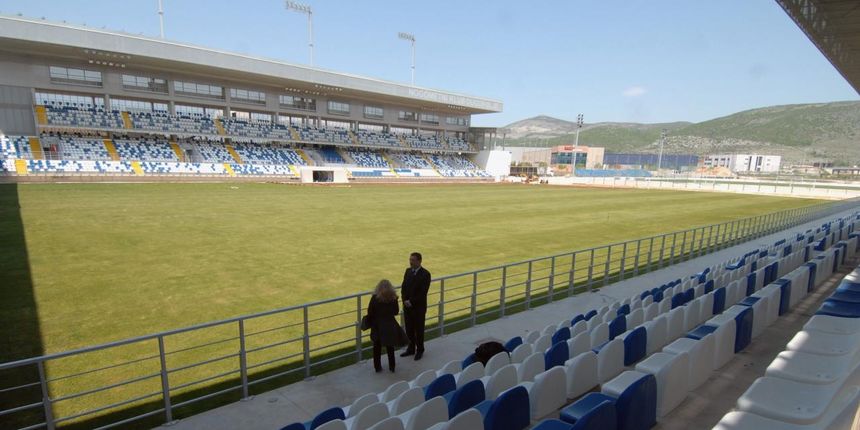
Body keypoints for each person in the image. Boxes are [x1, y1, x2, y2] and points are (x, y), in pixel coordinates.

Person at [367, 279, 405, 372]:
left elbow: (370, 312)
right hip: (390, 325)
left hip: (378, 326)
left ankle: (377, 367)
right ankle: (392, 367)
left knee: (377, 347)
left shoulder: (375, 298)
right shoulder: (393, 298)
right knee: (390, 347)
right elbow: (396, 312)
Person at [400, 252, 431, 360]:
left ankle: (420, 350)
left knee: (419, 330)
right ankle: (411, 348)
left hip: (418, 308)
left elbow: (423, 293)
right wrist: (404, 300)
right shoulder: (408, 271)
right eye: (410, 260)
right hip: (407, 307)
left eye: (413, 260)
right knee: (409, 329)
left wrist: (411, 301)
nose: (410, 262)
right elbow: (403, 287)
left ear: (419, 261)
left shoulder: (425, 274)